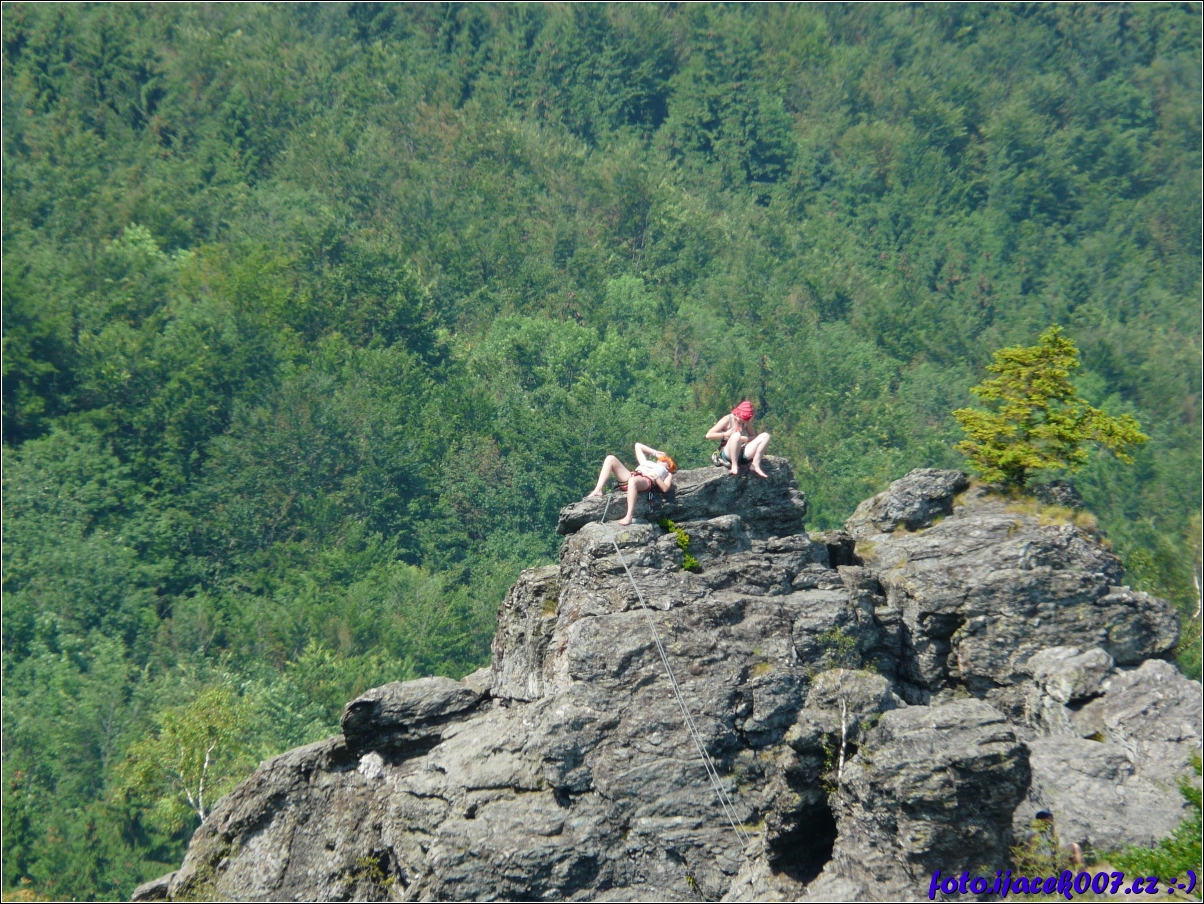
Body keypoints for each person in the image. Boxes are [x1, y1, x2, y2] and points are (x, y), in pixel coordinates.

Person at [587, 442, 677, 525]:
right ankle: (598, 489)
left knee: (632, 480)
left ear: (669, 466)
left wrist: (656, 477)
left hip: (645, 481)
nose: (661, 460)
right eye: (661, 459)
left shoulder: (667, 473)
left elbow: (665, 488)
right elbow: (638, 445)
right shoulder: (646, 463)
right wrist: (655, 452)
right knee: (610, 458)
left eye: (665, 460)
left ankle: (629, 516)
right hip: (631, 475)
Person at [706, 400, 770, 478]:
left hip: (742, 451)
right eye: (742, 418)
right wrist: (726, 434)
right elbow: (709, 435)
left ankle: (755, 465)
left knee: (765, 436)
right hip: (728, 452)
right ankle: (734, 465)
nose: (742, 421)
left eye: (745, 419)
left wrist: (743, 439)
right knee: (736, 435)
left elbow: (753, 437)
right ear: (737, 413)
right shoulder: (727, 419)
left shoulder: (745, 421)